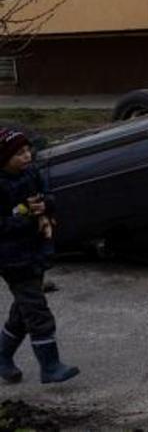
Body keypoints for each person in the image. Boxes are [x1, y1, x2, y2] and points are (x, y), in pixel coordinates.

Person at [0, 128, 79, 383]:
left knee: (24, 310)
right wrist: (25, 217)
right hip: (12, 258)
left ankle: (2, 356)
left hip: (35, 250)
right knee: (37, 310)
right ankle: (50, 365)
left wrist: (45, 205)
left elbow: (48, 196)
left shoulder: (32, 173)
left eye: (27, 151)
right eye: (19, 153)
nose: (26, 156)